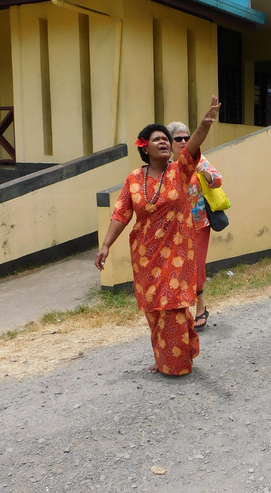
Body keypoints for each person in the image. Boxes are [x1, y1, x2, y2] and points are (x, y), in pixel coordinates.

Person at [95, 96, 221, 376]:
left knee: (173, 306)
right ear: (145, 147)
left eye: (167, 138)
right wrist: (105, 245)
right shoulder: (133, 179)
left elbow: (195, 144)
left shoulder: (180, 170)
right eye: (157, 139)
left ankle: (178, 363)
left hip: (177, 253)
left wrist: (205, 123)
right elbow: (120, 214)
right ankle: (164, 357)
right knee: (155, 309)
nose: (164, 142)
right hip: (145, 255)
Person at [167, 121, 223, 332]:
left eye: (186, 138)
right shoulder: (167, 165)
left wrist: (204, 173)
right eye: (178, 138)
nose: (183, 142)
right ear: (170, 143)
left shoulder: (200, 159)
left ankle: (200, 305)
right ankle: (180, 310)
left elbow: (218, 181)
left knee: (197, 266)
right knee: (177, 267)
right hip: (173, 228)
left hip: (198, 223)